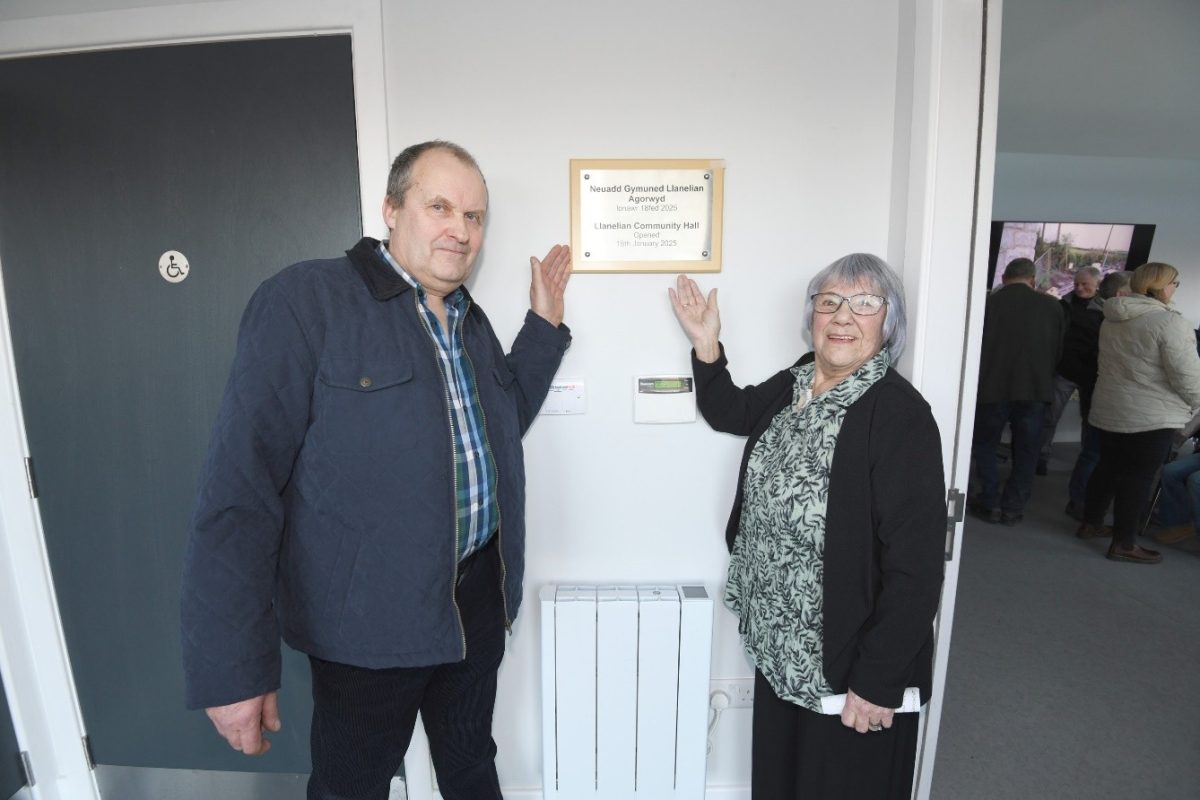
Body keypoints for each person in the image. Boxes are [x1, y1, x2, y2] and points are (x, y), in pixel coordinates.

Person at [180, 140, 572, 799]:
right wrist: (233, 668)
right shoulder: (306, 304)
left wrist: (544, 327)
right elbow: (239, 493)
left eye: (474, 216)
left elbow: (500, 425)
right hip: (366, 628)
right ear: (391, 210)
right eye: (439, 206)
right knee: (351, 786)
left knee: (471, 760)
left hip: (474, 602)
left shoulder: (468, 323)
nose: (460, 229)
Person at [669, 254, 945, 798]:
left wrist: (877, 680)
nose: (843, 316)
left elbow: (915, 567)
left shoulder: (898, 415)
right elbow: (731, 411)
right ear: (812, 315)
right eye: (829, 301)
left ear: (888, 322)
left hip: (849, 663)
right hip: (781, 648)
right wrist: (706, 344)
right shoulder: (799, 380)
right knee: (781, 781)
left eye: (865, 303)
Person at [1078, 262, 1200, 563]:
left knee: (1107, 468)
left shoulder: (1114, 316)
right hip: (1150, 415)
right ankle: (1124, 543)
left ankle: (1091, 523)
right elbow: (1186, 375)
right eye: (1175, 283)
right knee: (1138, 478)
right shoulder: (1170, 323)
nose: (1175, 289)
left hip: (1110, 406)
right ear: (1160, 285)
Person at [970, 257, 1067, 525]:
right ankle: (1013, 507)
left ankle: (988, 500)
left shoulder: (988, 304)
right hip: (1035, 389)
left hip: (992, 388)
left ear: (1003, 277)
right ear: (1033, 279)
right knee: (1026, 452)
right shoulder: (1053, 307)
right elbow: (1057, 351)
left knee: (984, 445)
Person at [1062, 270, 1132, 520]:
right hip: (1105, 391)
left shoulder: (1109, 319)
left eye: (1085, 284)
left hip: (1102, 390)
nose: (1080, 288)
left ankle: (1082, 502)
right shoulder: (1117, 323)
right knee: (1096, 452)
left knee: (1094, 451)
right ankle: (1083, 503)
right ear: (1123, 293)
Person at [1037, 266, 1102, 475]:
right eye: (1076, 284)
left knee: (1090, 422)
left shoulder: (1105, 311)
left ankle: (1084, 465)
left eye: (1085, 285)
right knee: (1050, 417)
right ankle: (1041, 457)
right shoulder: (1063, 305)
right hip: (1064, 370)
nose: (1079, 288)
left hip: (1091, 375)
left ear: (1097, 286)